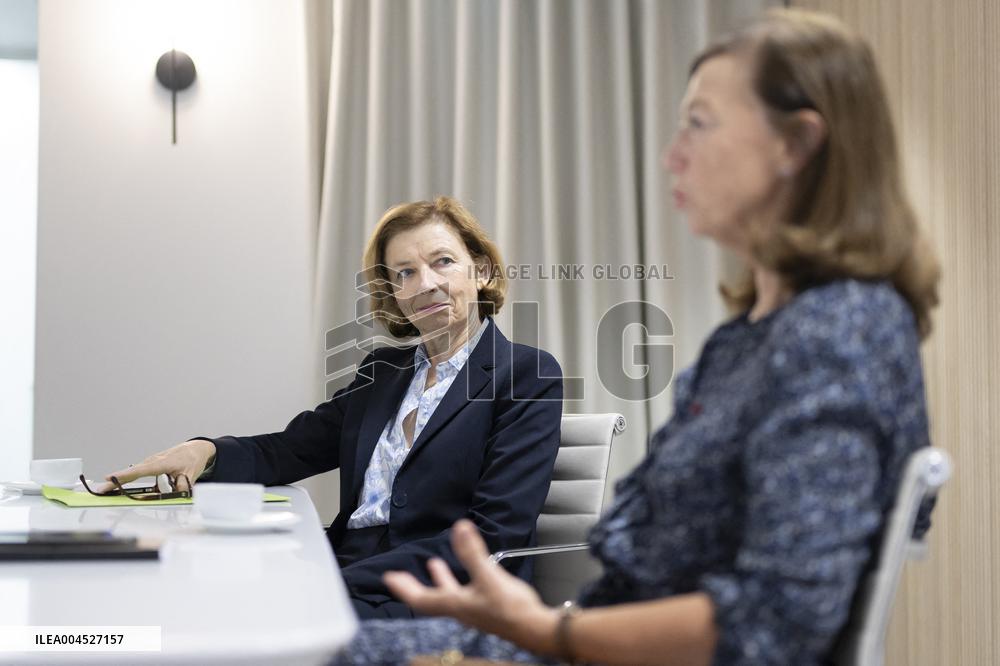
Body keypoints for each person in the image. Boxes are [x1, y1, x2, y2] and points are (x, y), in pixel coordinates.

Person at [333, 8, 941, 665]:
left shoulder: (841, 331)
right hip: (575, 635)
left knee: (311, 650)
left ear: (795, 144)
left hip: (588, 647)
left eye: (699, 123)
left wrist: (548, 633)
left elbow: (780, 620)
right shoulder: (746, 341)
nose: (672, 155)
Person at [99, 196, 564, 620]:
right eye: (404, 273)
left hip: (439, 594)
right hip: (345, 568)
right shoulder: (382, 372)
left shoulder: (526, 374)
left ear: (481, 271)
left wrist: (331, 580)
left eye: (442, 261)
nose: (425, 284)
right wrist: (205, 451)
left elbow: (494, 533)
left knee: (250, 624)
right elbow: (290, 450)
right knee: (186, 592)